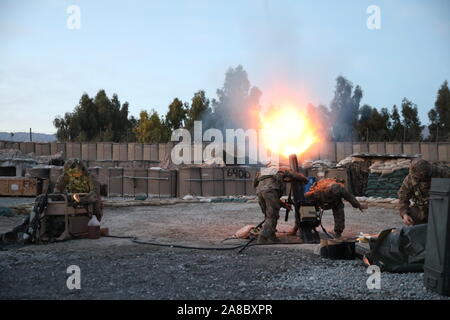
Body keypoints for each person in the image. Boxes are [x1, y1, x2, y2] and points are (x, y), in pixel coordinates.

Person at [253, 166, 308, 243]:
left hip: (259, 192)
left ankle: (271, 235)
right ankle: (262, 238)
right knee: (272, 216)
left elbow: (255, 184)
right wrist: (305, 180)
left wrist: (283, 204)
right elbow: (295, 175)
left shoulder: (263, 171)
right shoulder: (282, 169)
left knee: (268, 215)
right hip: (270, 191)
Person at [398, 159, 450, 226]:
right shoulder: (410, 179)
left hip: (442, 207)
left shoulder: (443, 173)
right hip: (423, 208)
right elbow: (403, 197)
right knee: (412, 215)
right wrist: (404, 214)